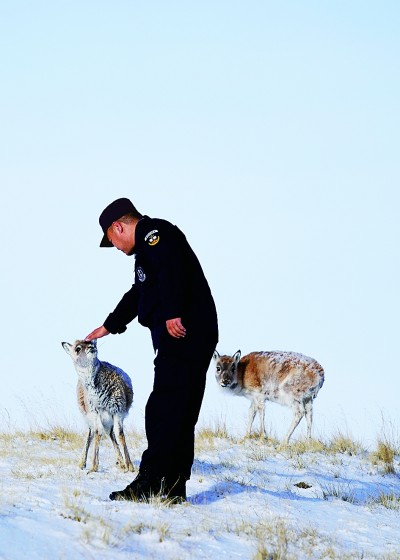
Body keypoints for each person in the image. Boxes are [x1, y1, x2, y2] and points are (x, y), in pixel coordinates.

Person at [85, 197, 218, 503]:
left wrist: (172, 311)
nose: (116, 248)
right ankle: (172, 488)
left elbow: (172, 269)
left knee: (162, 410)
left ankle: (149, 483)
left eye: (112, 240)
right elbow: (138, 294)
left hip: (183, 333)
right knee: (180, 412)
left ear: (118, 226)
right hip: (189, 334)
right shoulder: (146, 254)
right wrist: (109, 325)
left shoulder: (154, 234)